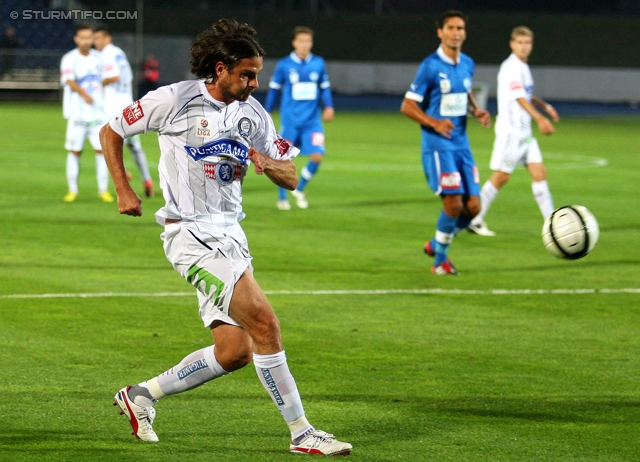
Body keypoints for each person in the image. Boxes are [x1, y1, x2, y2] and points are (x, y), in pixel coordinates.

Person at [99, 19, 352, 456]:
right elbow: (112, 129)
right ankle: (302, 432)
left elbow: (290, 174)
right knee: (266, 323)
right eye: (247, 74)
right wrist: (123, 187)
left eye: (257, 74)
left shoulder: (253, 115)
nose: (255, 83)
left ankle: (141, 396)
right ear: (220, 69)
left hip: (231, 234)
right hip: (189, 234)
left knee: (234, 351)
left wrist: (267, 164)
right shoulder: (175, 99)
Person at [400, 10, 491, 275]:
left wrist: (477, 110)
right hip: (438, 145)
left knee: (474, 207)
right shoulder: (430, 66)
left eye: (460, 28)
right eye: (450, 28)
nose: (456, 33)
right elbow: (407, 105)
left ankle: (437, 243)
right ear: (440, 32)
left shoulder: (467, 64)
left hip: (462, 144)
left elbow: (464, 92)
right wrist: (435, 122)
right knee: (453, 204)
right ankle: (440, 260)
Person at [468, 26, 559, 236]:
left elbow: (526, 95)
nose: (524, 47)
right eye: (520, 43)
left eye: (527, 43)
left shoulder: (522, 67)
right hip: (512, 131)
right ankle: (474, 218)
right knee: (501, 176)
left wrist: (544, 105)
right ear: (512, 44)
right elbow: (518, 98)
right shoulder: (511, 67)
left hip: (525, 132)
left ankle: (552, 224)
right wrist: (540, 118)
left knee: (539, 173)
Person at [265, 26, 334, 210]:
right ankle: (282, 198)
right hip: (290, 122)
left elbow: (324, 88)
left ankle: (300, 188)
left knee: (318, 155)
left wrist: (329, 106)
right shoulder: (285, 65)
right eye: (301, 41)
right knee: (282, 159)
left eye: (308, 41)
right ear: (294, 43)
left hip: (313, 122)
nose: (304, 45)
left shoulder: (318, 63)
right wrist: (268, 110)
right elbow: (274, 90)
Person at [93, 26, 154, 198]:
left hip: (112, 107)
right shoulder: (120, 53)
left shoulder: (107, 54)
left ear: (107, 38)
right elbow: (129, 77)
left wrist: (103, 82)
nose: (95, 42)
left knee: (107, 142)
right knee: (135, 146)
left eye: (98, 38)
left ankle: (123, 171)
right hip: (128, 106)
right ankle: (147, 179)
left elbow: (115, 76)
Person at [60, 24, 113, 203]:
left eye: (89, 37)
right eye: (83, 37)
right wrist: (84, 93)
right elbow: (68, 80)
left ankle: (103, 190)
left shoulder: (99, 58)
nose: (86, 41)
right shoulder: (69, 58)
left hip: (98, 114)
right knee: (75, 151)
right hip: (78, 115)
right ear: (76, 39)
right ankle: (72, 190)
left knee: (101, 151)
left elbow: (106, 78)